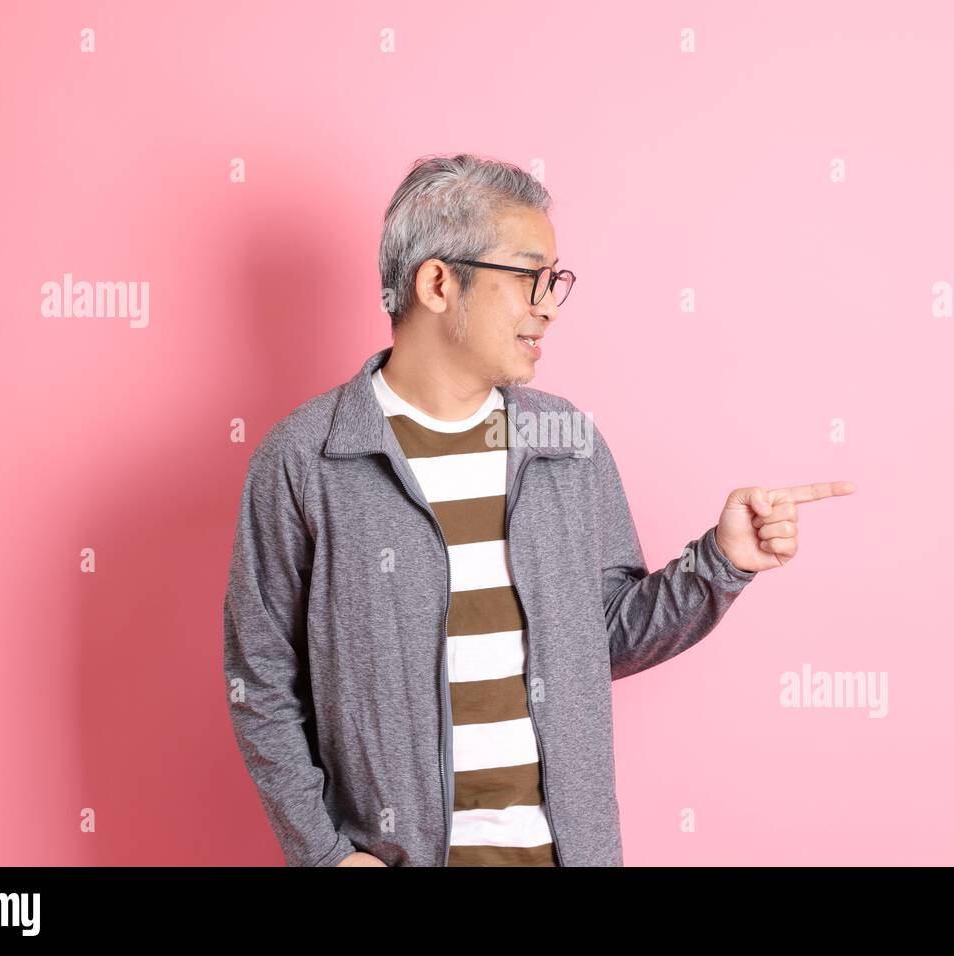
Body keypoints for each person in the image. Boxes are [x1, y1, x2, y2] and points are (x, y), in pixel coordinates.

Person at [222, 152, 856, 867]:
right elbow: (261, 681)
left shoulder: (565, 444)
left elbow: (607, 635)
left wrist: (721, 562)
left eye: (554, 281)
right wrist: (327, 856)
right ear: (438, 283)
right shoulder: (308, 458)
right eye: (529, 277)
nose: (548, 304)